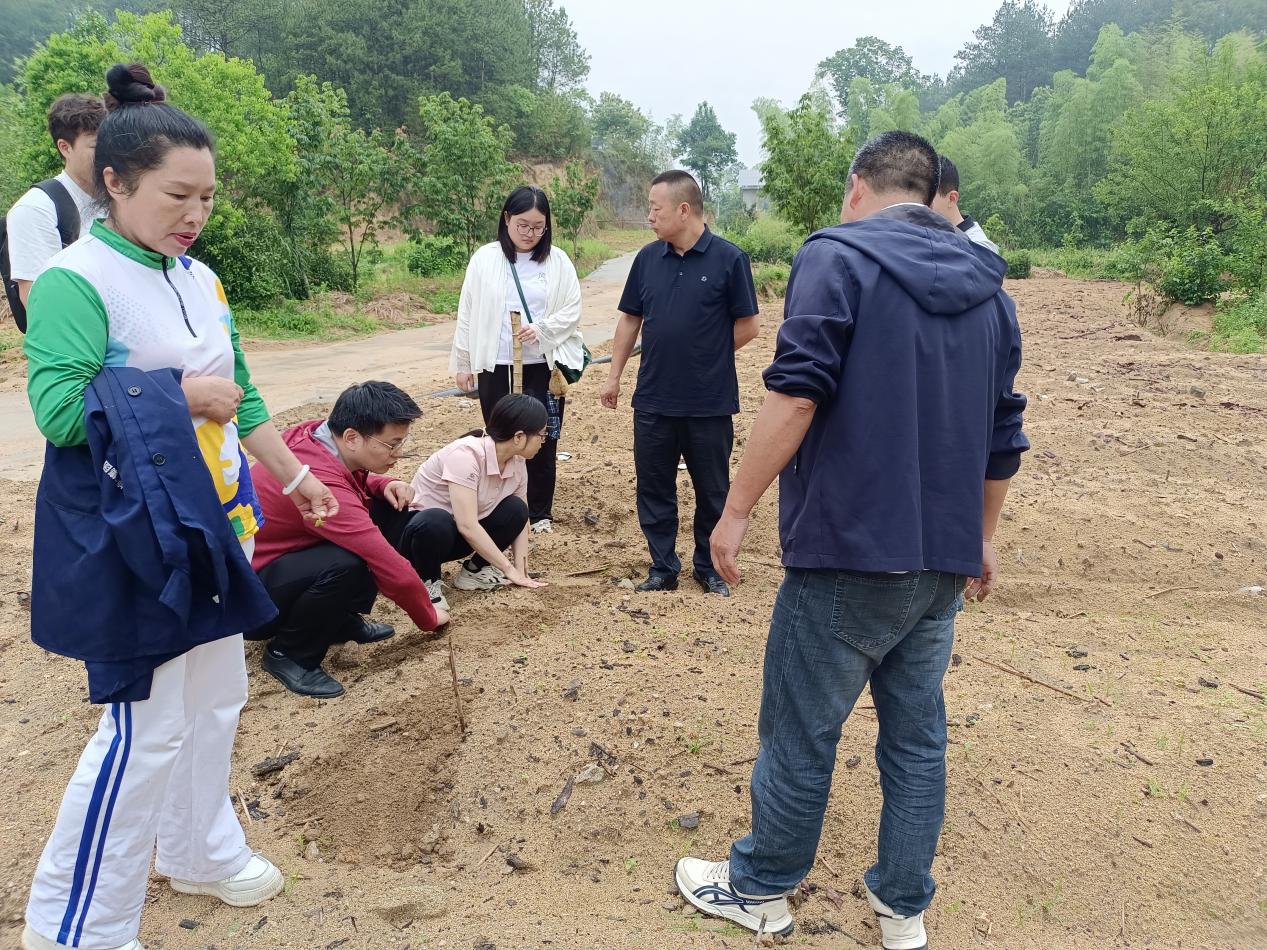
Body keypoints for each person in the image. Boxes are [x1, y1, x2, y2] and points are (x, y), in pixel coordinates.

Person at [673, 131, 1029, 949]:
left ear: (856, 186)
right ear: (932, 194)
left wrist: (734, 509)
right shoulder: (991, 291)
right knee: (916, 740)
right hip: (940, 562)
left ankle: (760, 889)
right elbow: (1002, 430)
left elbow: (796, 394)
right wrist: (982, 536)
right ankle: (902, 909)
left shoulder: (835, 257)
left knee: (800, 731)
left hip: (847, 551)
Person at [20, 63, 339, 950]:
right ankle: (76, 926)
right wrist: (178, 395)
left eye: (206, 198)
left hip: (215, 524)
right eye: (177, 196)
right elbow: (58, 411)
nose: (195, 214)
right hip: (139, 536)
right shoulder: (77, 281)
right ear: (115, 183)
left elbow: (241, 391)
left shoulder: (199, 278)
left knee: (215, 700)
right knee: (144, 728)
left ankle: (198, 850)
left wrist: (294, 477)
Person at [601, 170, 760, 597]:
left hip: (709, 401)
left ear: (683, 209)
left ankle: (708, 568)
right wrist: (614, 375)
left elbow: (749, 325)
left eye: (656, 208)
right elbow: (630, 319)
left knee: (712, 490)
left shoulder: (729, 259)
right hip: (654, 398)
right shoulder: (647, 259)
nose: (649, 216)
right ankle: (663, 568)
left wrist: (707, 353)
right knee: (654, 487)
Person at [248, 381, 451, 699]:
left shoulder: (318, 437)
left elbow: (348, 476)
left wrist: (383, 484)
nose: (398, 453)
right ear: (352, 437)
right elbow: (389, 565)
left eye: (402, 442)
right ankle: (290, 653)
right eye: (392, 444)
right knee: (351, 562)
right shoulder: (322, 486)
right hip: (253, 601)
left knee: (382, 514)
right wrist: (429, 616)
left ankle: (338, 621)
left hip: (286, 564)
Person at [450, 185, 585, 534]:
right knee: (501, 435)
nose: (530, 233)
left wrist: (542, 329)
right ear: (506, 219)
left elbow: (572, 310)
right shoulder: (485, 259)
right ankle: (500, 505)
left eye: (538, 226)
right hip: (496, 364)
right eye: (523, 225)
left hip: (542, 364)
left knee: (541, 436)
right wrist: (463, 362)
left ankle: (539, 512)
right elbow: (467, 311)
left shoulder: (557, 262)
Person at [402, 393, 549, 604]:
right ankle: (427, 582)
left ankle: (474, 572)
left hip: (459, 535)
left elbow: (521, 520)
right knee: (435, 519)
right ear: (518, 437)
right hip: (422, 538)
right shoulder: (465, 455)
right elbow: (467, 525)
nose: (543, 441)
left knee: (517, 509)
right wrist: (507, 569)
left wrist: (521, 570)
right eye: (541, 435)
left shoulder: (516, 460)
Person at [4, 93, 106, 312]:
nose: (107, 155)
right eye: (96, 146)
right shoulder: (35, 209)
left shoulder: (119, 200)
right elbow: (41, 303)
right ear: (65, 147)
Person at [930, 155, 999, 253]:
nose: (920, 206)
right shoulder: (933, 236)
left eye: (928, 198)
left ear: (952, 199)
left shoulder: (979, 248)